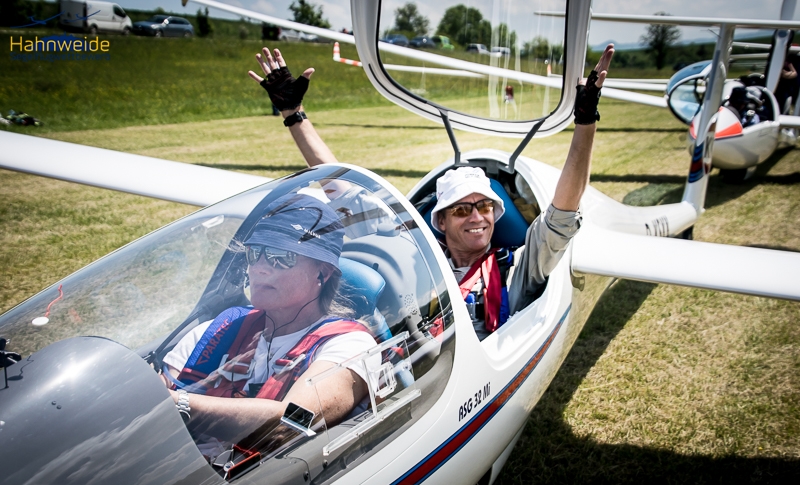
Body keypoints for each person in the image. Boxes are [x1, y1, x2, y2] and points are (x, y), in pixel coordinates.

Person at [248, 44, 615, 340]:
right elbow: (341, 188)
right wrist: (294, 113)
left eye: (485, 206)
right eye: (462, 209)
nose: (477, 216)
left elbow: (561, 214)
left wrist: (585, 119)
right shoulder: (414, 257)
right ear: (440, 221)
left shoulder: (516, 269)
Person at [161, 194, 378, 452]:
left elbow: (292, 423)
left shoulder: (350, 345)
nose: (260, 268)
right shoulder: (219, 328)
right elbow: (158, 392)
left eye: (280, 256)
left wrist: (177, 405)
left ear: (322, 272)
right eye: (255, 253)